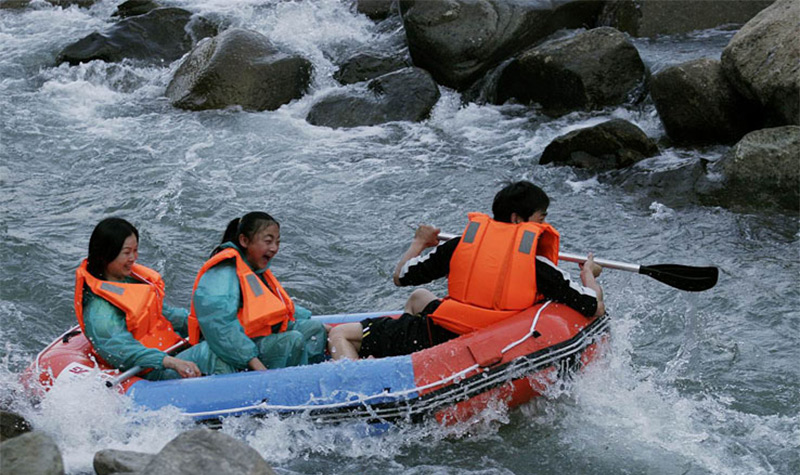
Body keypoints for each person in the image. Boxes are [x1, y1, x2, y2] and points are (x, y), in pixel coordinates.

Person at [328, 181, 605, 360]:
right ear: (517, 219)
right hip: (488, 335)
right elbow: (592, 305)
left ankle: (362, 383)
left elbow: (400, 276)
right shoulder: (536, 264)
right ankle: (391, 360)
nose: (544, 225)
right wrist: (588, 275)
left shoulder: (462, 245)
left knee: (339, 334)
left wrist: (419, 243)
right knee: (419, 298)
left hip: (443, 335)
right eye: (541, 218)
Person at [75, 217, 221, 380]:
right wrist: (169, 361)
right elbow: (122, 351)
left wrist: (204, 323)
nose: (133, 257)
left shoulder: (130, 282)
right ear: (106, 255)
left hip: (169, 351)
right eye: (127, 252)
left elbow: (165, 313)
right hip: (150, 371)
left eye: (135, 250)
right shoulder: (99, 310)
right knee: (215, 353)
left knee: (225, 339)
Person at [187, 212, 327, 372]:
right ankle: (288, 385)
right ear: (244, 241)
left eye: (277, 242)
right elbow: (220, 326)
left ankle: (315, 374)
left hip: (256, 337)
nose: (274, 248)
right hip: (234, 349)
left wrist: (324, 327)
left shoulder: (251, 268)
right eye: (268, 241)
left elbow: (274, 306)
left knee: (314, 329)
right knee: (292, 340)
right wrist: (255, 364)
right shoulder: (224, 271)